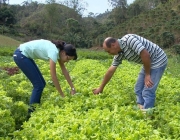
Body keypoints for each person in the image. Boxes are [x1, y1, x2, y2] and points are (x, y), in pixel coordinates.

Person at [93, 34, 167, 110]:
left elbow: (145, 54)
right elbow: (110, 71)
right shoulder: (119, 54)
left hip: (158, 59)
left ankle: (147, 112)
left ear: (113, 45)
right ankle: (141, 107)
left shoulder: (129, 40)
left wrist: (147, 75)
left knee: (148, 89)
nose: (109, 53)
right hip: (148, 62)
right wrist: (101, 88)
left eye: (108, 51)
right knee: (138, 88)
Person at [13, 39, 77, 116]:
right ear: (64, 53)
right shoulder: (54, 52)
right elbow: (53, 77)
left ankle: (35, 108)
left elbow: (65, 71)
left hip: (25, 55)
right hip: (20, 55)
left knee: (42, 84)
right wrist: (62, 95)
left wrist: (73, 88)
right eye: (68, 59)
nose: (67, 61)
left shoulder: (61, 51)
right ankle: (31, 113)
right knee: (38, 85)